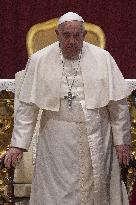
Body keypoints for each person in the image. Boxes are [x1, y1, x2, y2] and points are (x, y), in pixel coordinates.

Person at [4, 12, 131, 205]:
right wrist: (18, 144)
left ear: (84, 34)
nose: (71, 41)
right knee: (57, 193)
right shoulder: (40, 60)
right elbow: (27, 107)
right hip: (56, 142)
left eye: (77, 36)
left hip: (95, 136)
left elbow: (118, 106)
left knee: (94, 191)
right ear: (57, 34)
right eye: (66, 35)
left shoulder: (103, 58)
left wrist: (122, 141)